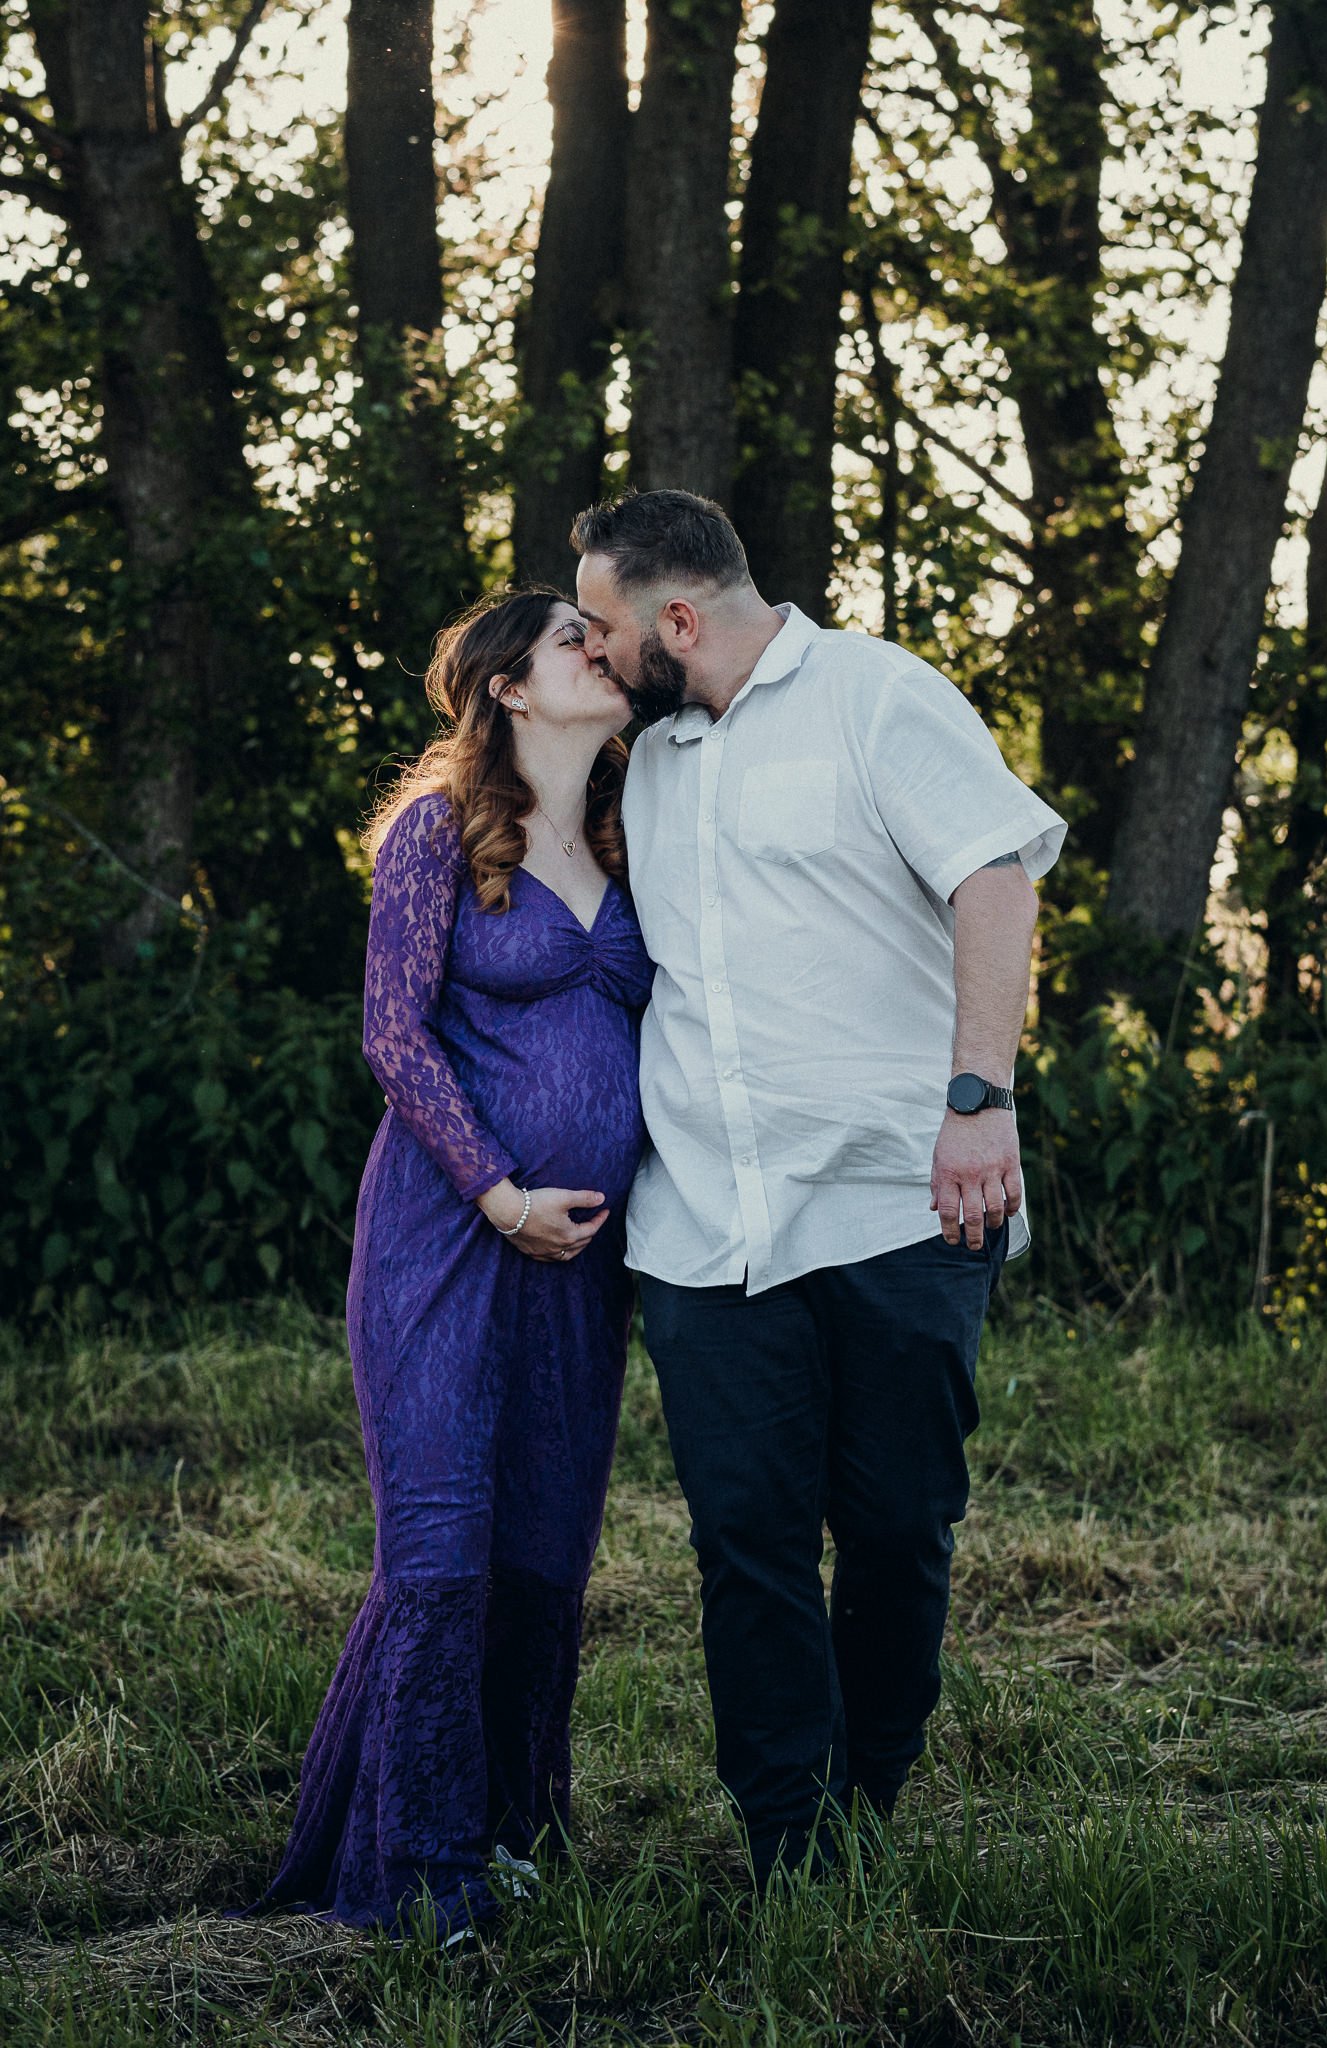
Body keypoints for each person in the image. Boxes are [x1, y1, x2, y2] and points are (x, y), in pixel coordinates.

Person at [571, 489, 1067, 1886]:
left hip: (894, 1203)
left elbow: (992, 880)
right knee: (747, 1539)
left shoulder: (875, 697)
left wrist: (978, 1102)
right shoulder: (653, 754)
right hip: (705, 1228)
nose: (593, 652)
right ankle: (786, 1832)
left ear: (677, 617)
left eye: (604, 626)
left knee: (900, 1525)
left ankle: (872, 1794)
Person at [250, 589, 653, 1941]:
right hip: (448, 1236)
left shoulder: (628, 831)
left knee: (543, 1548)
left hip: (584, 1262)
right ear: (510, 692)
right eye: (568, 641)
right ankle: (414, 1874)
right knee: (439, 1546)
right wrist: (495, 1192)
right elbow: (392, 1033)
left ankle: (503, 1828)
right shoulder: (434, 832)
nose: (601, 651)